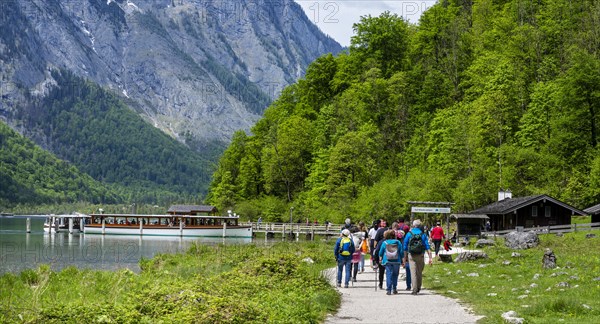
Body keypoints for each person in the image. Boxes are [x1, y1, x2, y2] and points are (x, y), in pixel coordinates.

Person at [403, 219, 433, 295]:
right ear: (420, 226)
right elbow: (427, 246)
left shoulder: (409, 234)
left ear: (413, 225)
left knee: (413, 272)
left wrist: (404, 258)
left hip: (411, 255)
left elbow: (405, 246)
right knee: (419, 272)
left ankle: (414, 289)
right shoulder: (422, 234)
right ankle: (419, 287)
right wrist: (430, 257)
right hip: (420, 255)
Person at [378, 229, 403, 295]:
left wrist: (380, 259)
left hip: (387, 261)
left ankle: (388, 289)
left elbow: (381, 252)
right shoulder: (398, 242)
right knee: (395, 274)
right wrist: (403, 259)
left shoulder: (385, 243)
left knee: (388, 274)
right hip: (396, 261)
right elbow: (401, 252)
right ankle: (394, 288)